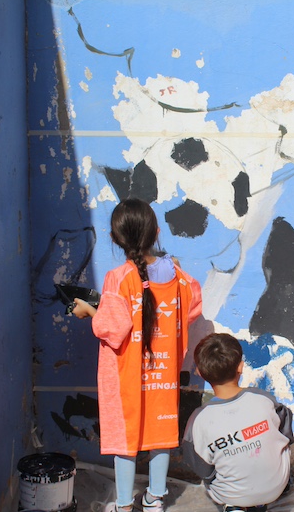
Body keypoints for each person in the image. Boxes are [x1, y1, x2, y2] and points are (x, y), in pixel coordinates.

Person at [72, 198, 202, 512]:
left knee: (125, 437)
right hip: (164, 375)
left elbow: (114, 328)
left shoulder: (118, 278)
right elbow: (192, 309)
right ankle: (155, 499)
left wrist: (89, 311)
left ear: (115, 238)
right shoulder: (178, 276)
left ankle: (123, 504)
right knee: (161, 432)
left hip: (126, 377)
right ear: (157, 232)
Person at [182, 332, 294, 512]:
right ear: (241, 367)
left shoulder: (198, 420)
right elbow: (286, 432)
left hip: (231, 493)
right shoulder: (263, 399)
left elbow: (202, 468)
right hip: (276, 488)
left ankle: (234, 505)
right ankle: (264, 497)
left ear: (200, 373)